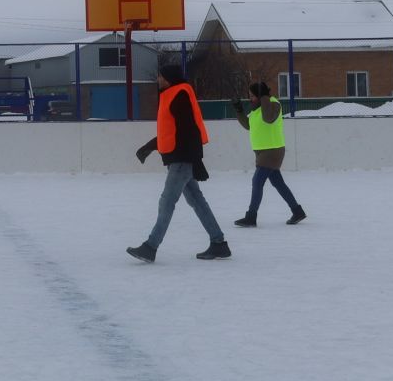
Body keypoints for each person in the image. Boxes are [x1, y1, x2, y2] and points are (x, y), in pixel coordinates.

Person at [127, 62, 229, 262]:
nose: (158, 79)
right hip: (179, 157)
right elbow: (171, 131)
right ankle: (219, 244)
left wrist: (196, 160)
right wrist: (149, 146)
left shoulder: (179, 95)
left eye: (160, 76)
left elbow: (189, 129)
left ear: (169, 77)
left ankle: (150, 246)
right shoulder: (171, 94)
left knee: (167, 201)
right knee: (196, 201)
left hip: (182, 158)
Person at [233, 81, 305, 227]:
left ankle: (251, 217)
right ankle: (297, 211)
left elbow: (268, 118)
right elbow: (248, 125)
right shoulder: (257, 109)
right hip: (262, 151)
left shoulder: (273, 104)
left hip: (272, 150)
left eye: (253, 96)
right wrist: (239, 110)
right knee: (278, 183)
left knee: (257, 181)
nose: (250, 99)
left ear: (261, 95)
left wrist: (264, 97)